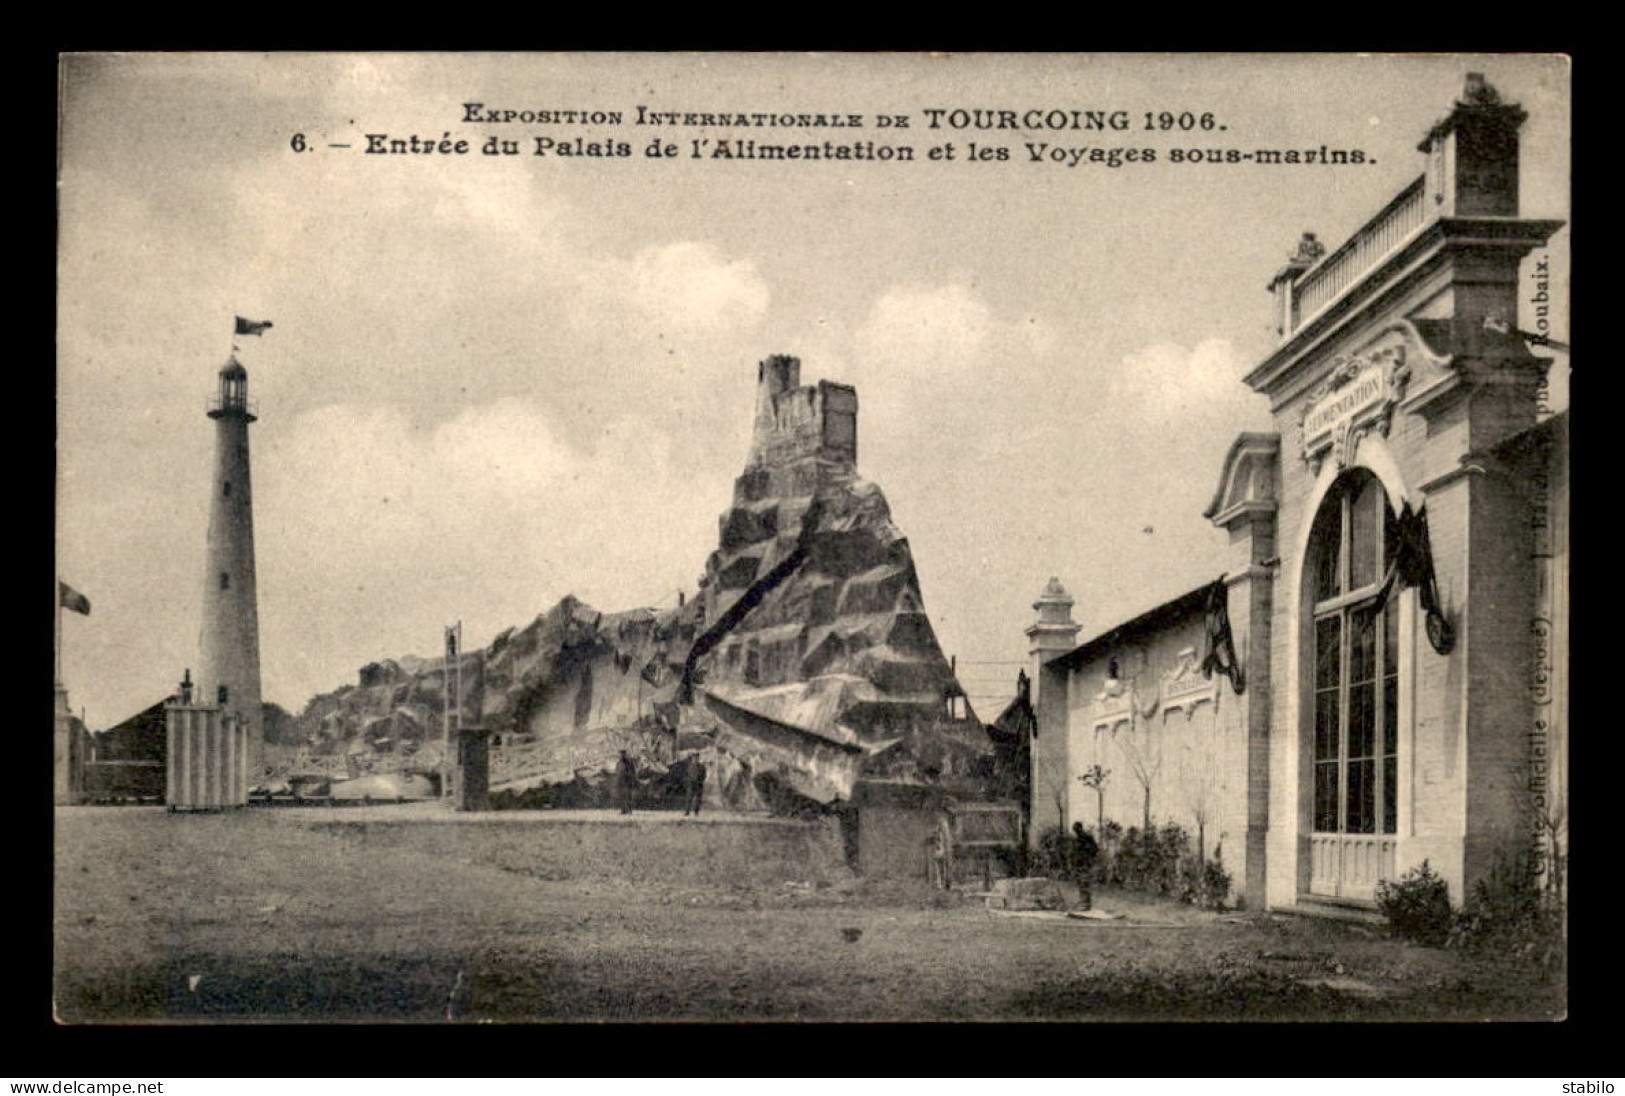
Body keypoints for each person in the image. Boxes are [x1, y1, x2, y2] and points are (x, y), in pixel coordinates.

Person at [682, 752, 707, 817]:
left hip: (698, 784)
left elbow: (704, 775)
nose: (695, 759)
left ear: (698, 758)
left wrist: (701, 781)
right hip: (690, 784)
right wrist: (687, 782)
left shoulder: (702, 767)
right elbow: (685, 775)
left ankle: (696, 812)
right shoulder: (689, 766)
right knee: (689, 798)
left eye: (697, 758)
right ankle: (687, 812)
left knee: (698, 799)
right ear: (692, 758)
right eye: (694, 758)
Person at [613, 750, 636, 815]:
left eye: (623, 754)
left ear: (625, 755)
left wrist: (632, 781)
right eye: (620, 755)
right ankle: (623, 810)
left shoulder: (630, 763)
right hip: (620, 783)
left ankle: (629, 810)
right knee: (621, 797)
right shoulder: (618, 763)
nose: (621, 756)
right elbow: (616, 773)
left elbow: (633, 773)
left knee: (628, 797)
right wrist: (616, 782)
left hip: (627, 782)